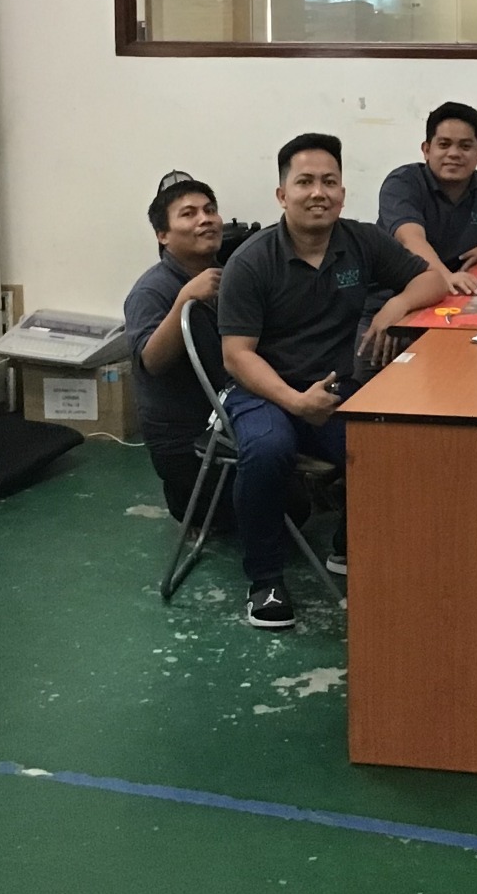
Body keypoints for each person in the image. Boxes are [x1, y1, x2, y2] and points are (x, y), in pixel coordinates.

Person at [218, 132, 449, 630]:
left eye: (329, 181)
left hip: (333, 389)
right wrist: (294, 401)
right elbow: (237, 356)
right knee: (268, 450)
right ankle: (265, 580)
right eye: (304, 182)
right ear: (282, 194)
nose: (318, 192)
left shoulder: (359, 241)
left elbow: (432, 279)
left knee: (389, 442)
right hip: (262, 392)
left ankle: (347, 545)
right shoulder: (251, 261)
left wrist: (393, 306)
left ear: (343, 192)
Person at [123, 178, 232, 525]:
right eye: (189, 214)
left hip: (230, 421)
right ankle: (187, 498)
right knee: (286, 507)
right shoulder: (151, 291)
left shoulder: (230, 274)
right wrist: (185, 299)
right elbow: (152, 361)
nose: (205, 219)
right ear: (163, 235)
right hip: (187, 442)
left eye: (210, 210)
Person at [376, 101, 477, 297]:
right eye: (444, 145)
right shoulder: (402, 184)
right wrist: (446, 277)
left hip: (456, 292)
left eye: (465, 146)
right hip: (393, 293)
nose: (454, 154)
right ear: (426, 150)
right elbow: (410, 238)